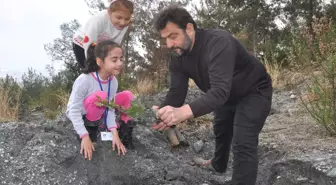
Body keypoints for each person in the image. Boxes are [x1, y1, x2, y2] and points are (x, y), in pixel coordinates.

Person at [151, 5, 273, 185]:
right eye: (165, 39)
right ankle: (218, 165)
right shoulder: (178, 57)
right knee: (221, 129)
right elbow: (176, 92)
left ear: (189, 29)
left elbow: (219, 92)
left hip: (254, 90)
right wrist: (163, 112)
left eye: (173, 36)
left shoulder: (218, 43)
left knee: (243, 141)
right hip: (226, 95)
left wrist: (182, 113)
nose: (169, 44)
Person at [66, 40, 127, 161]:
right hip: (82, 115)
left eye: (121, 58)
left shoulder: (113, 81)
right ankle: (92, 129)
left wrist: (115, 134)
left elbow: (109, 108)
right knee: (98, 96)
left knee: (127, 96)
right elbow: (73, 110)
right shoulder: (85, 80)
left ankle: (103, 125)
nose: (120, 63)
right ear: (100, 62)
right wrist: (84, 136)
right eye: (114, 60)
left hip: (98, 114)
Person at [72, 0, 133, 68]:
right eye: (119, 17)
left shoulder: (125, 25)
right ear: (109, 12)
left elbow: (115, 45)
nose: (123, 22)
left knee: (103, 69)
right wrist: (90, 65)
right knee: (90, 70)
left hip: (99, 45)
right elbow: (89, 43)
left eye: (127, 19)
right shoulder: (99, 19)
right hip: (83, 43)